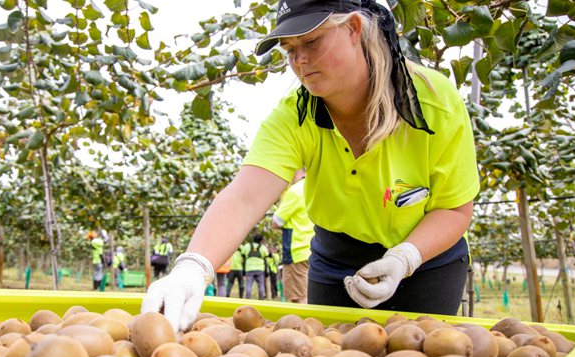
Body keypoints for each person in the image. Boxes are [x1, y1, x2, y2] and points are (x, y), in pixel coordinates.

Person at [141, 0, 479, 331]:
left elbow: (454, 209)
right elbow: (244, 197)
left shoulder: (435, 104)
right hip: (336, 263)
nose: (299, 60)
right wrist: (193, 266)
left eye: (311, 41)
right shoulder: (295, 116)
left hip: (427, 261)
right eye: (289, 49)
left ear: (353, 29)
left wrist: (404, 258)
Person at [272, 168, 314, 303]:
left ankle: (303, 325)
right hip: (315, 250)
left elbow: (277, 221)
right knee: (310, 294)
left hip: (296, 251)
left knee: (299, 298)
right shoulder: (315, 187)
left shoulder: (295, 191)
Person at [241, 234, 270, 300]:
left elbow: (243, 254)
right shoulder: (263, 247)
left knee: (249, 285)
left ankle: (248, 299)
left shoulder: (247, 246)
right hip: (260, 269)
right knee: (261, 285)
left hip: (249, 268)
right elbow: (267, 255)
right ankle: (261, 299)